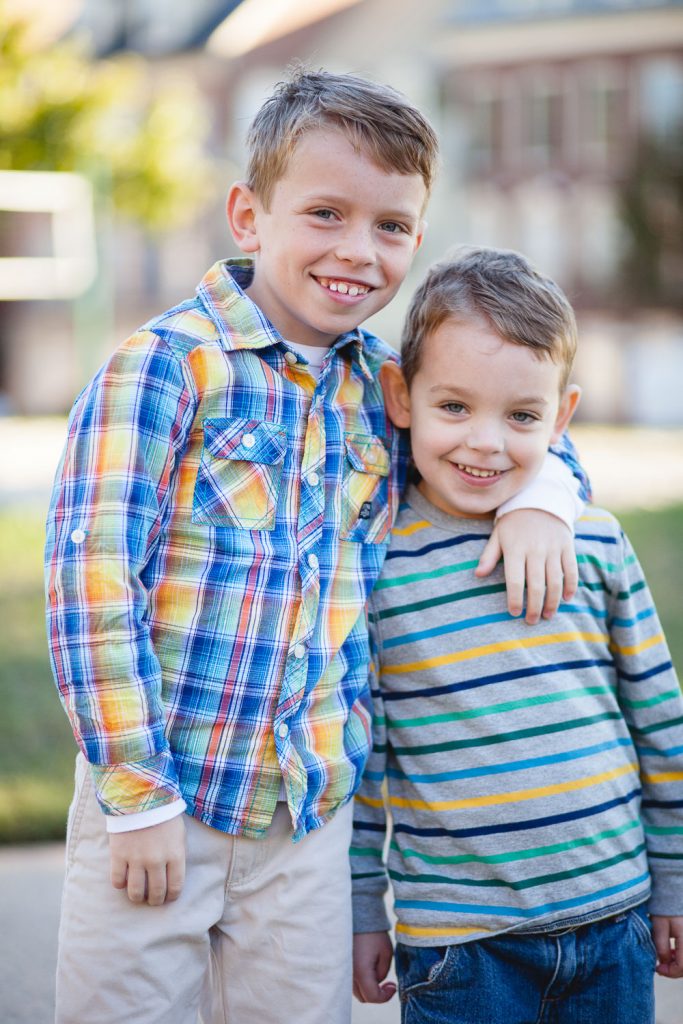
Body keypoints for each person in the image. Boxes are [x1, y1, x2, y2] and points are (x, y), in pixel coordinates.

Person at [45, 71, 585, 1024]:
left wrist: (541, 498)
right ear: (248, 216)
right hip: (166, 796)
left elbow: (519, 433)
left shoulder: (388, 386)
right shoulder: (167, 366)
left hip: (307, 815)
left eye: (390, 226)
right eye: (326, 213)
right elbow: (91, 583)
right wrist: (135, 793)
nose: (358, 251)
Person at [351, 245, 683, 1024]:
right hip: (461, 947)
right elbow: (366, 756)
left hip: (613, 917)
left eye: (522, 416)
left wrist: (672, 880)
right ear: (401, 397)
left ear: (560, 417)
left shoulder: (593, 542)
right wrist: (363, 904)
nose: (485, 444)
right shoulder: (380, 568)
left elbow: (661, 728)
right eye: (454, 407)